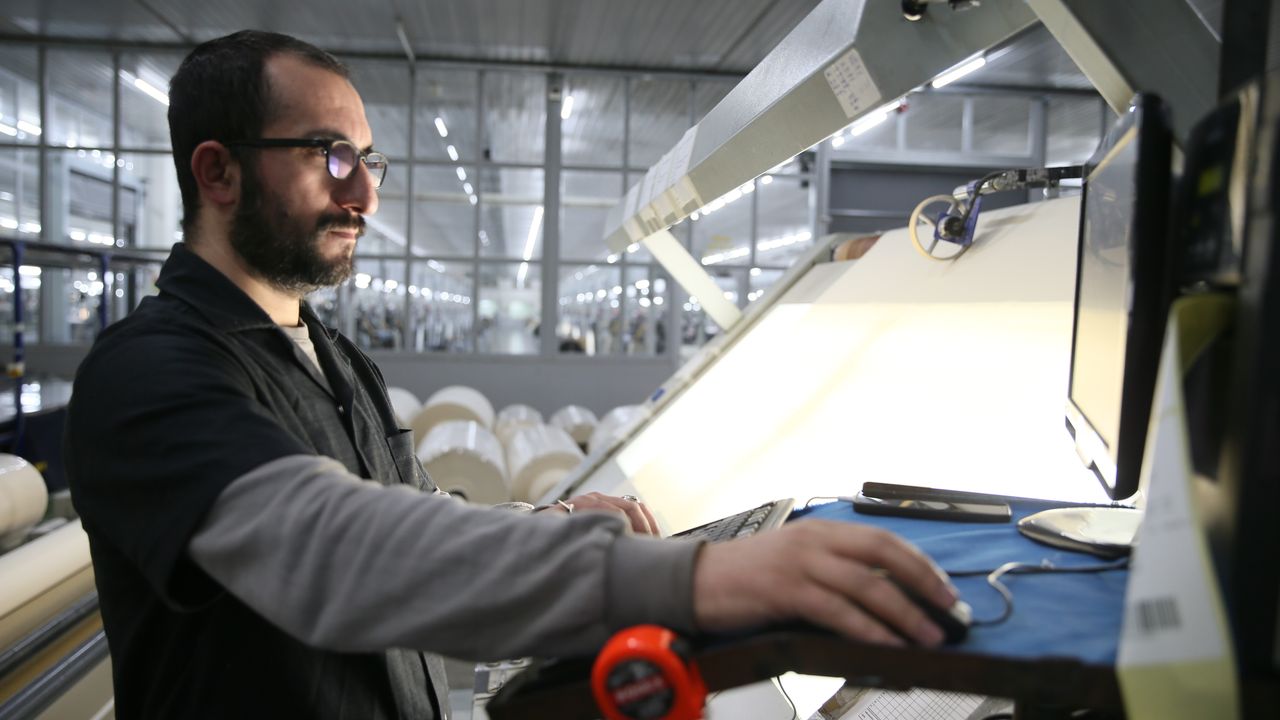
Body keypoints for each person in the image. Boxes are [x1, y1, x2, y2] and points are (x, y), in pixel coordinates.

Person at [64, 30, 957, 719]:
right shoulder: (147, 374)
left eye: (368, 161)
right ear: (218, 171)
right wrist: (696, 581)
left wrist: (552, 522)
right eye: (328, 155)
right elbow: (328, 549)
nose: (364, 194)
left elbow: (411, 514)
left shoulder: (333, 356)